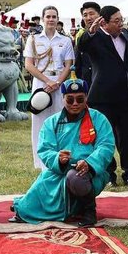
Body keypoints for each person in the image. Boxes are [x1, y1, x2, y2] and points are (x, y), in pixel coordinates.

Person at [12, 77, 116, 228]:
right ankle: (73, 208)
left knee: (75, 178)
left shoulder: (98, 119)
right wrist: (57, 159)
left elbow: (106, 146)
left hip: (91, 172)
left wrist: (89, 163)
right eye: (70, 99)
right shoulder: (51, 122)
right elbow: (45, 149)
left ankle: (89, 211)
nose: (75, 104)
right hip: (59, 171)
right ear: (62, 99)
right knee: (29, 204)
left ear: (86, 98)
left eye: (80, 99)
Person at [77, 5, 128, 186]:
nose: (121, 24)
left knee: (127, 136)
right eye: (116, 21)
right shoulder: (95, 39)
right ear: (105, 22)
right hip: (103, 98)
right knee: (105, 137)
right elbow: (81, 45)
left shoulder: (125, 36)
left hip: (125, 96)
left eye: (122, 20)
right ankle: (108, 173)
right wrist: (91, 32)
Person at [23, 5, 75, 170]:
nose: (51, 20)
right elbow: (29, 65)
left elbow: (68, 64)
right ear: (43, 19)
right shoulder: (34, 39)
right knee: (39, 121)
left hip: (58, 82)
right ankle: (40, 161)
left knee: (61, 120)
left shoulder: (65, 40)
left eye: (54, 17)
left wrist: (58, 82)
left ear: (58, 19)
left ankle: (61, 157)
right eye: (48, 17)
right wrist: (47, 81)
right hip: (41, 82)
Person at [74, 1, 101, 88]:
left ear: (99, 15)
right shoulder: (82, 37)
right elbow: (78, 63)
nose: (89, 18)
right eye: (85, 15)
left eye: (91, 14)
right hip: (87, 84)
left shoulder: (109, 34)